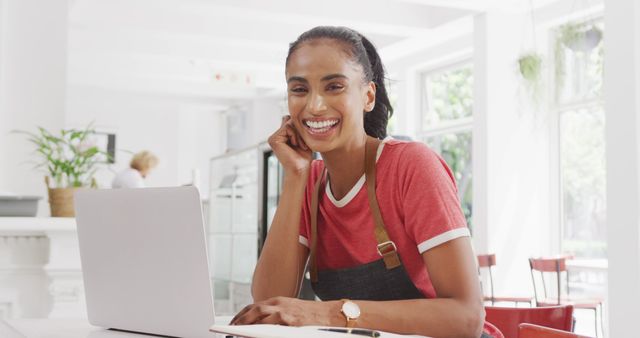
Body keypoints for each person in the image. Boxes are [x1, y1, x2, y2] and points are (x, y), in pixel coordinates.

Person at [231, 26, 491, 337]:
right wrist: (295, 175)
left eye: (334, 87)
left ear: (368, 96)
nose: (314, 106)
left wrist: (327, 312)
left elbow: (467, 318)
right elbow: (268, 302)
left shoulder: (411, 166)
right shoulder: (308, 182)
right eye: (299, 90)